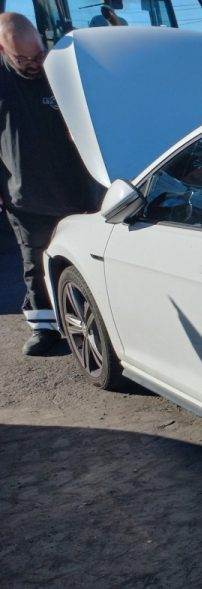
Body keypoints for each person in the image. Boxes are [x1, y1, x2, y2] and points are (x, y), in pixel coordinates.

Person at [0, 12, 95, 354]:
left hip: (79, 186)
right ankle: (44, 327)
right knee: (35, 259)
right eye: (23, 59)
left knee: (87, 257)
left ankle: (91, 316)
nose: (34, 64)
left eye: (38, 55)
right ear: (3, 50)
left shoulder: (61, 68)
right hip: (26, 192)